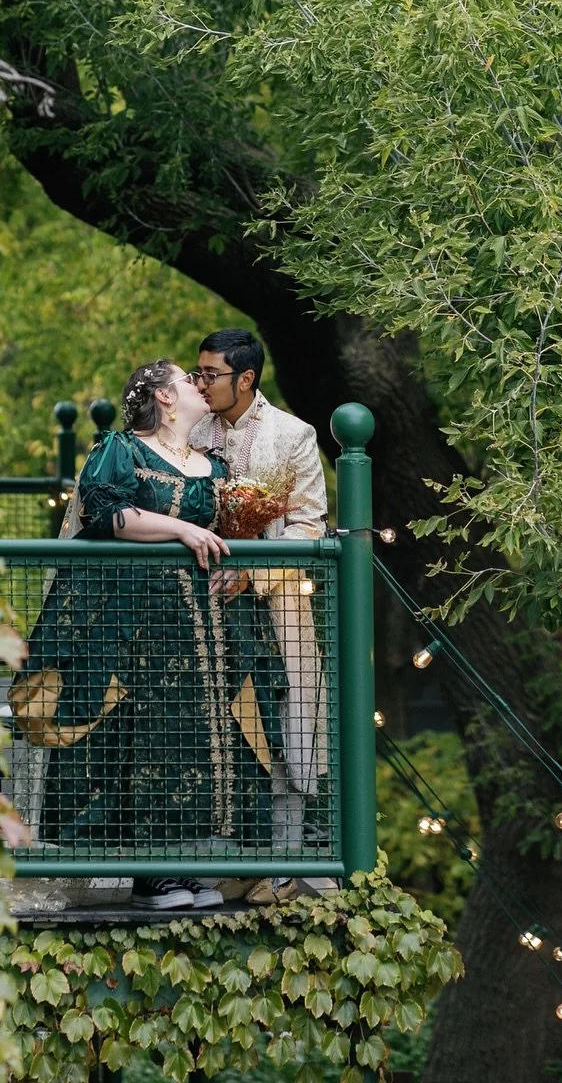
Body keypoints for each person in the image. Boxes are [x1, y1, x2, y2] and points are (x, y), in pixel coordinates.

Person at [9, 358, 237, 914]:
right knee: (138, 730)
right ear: (162, 396)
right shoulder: (123, 449)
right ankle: (145, 870)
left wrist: (238, 561)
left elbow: (228, 532)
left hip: (197, 621)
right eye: (187, 380)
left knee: (189, 732)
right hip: (129, 615)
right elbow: (109, 514)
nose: (197, 386)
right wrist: (184, 528)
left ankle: (182, 859)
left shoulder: (216, 464)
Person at [189, 328, 334, 902]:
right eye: (196, 374)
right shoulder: (189, 428)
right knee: (206, 729)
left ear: (246, 379)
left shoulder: (293, 435)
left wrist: (252, 572)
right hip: (198, 607)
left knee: (281, 729)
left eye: (210, 375)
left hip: (275, 607)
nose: (200, 384)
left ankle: (284, 860)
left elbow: (309, 525)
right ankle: (213, 863)